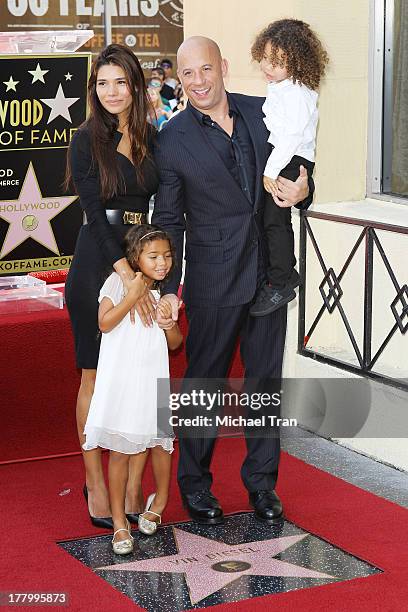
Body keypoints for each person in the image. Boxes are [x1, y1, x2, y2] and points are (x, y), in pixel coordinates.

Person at [151, 36, 313, 526]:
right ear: (180, 80)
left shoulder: (265, 111)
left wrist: (305, 188)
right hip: (214, 278)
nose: (198, 82)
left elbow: (299, 164)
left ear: (222, 66)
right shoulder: (172, 138)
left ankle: (262, 486)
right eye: (187, 75)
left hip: (269, 277)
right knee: (205, 386)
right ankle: (195, 486)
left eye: (205, 69)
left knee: (265, 386)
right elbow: (172, 220)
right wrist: (167, 290)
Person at [64, 44, 159, 529]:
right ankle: (96, 481)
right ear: (94, 89)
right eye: (102, 83)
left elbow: (163, 211)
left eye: (120, 81)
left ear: (135, 85)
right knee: (95, 377)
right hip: (97, 263)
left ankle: (129, 479)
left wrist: (150, 276)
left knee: (136, 378)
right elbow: (96, 216)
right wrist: (127, 275)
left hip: (141, 263)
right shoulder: (85, 140)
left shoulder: (151, 137)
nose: (112, 91)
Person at [82, 224, 182, 554]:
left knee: (160, 445)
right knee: (121, 453)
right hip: (123, 384)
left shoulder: (163, 293)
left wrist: (169, 323)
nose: (162, 262)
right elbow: (105, 322)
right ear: (134, 256)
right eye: (153, 256)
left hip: (153, 383)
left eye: (167, 256)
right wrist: (132, 296)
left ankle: (160, 502)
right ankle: (119, 522)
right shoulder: (118, 281)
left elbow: (176, 343)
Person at [249, 19, 329, 316]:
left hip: (290, 159)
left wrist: (271, 170)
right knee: (273, 221)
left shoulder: (297, 92)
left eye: (278, 62)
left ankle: (282, 281)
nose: (268, 67)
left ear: (297, 61)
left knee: (275, 221)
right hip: (284, 156)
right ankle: (280, 277)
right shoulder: (283, 87)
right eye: (266, 59)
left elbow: (292, 137)